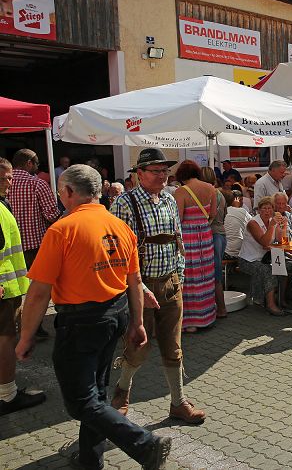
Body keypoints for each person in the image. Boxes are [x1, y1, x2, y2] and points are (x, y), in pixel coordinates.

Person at [16, 164, 172, 469]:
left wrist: (25, 337)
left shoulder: (62, 230)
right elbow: (135, 282)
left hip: (82, 321)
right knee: (96, 393)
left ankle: (145, 444)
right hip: (115, 315)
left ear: (70, 192)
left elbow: (37, 294)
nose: (60, 196)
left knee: (81, 401)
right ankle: (90, 459)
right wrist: (137, 322)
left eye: (61, 191)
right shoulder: (120, 227)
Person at [109, 148, 205, 425]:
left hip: (171, 285)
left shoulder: (170, 199)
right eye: (155, 171)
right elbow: (117, 253)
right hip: (140, 288)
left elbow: (178, 242)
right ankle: (122, 390)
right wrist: (135, 289)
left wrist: (180, 277)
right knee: (138, 345)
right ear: (139, 174)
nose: (162, 175)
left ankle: (178, 403)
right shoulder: (125, 204)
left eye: (165, 170)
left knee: (173, 348)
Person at [0, 158, 46, 417]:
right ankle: (7, 395)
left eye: (9, 178)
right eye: (4, 178)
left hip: (9, 285)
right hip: (5, 287)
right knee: (6, 339)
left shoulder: (3, 203)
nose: (9, 183)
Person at [8, 149, 60, 339]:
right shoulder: (37, 183)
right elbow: (52, 215)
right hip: (35, 245)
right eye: (36, 164)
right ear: (29, 163)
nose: (37, 168)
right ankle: (34, 327)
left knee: (13, 289)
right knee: (39, 290)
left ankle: (13, 326)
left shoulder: (6, 182)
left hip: (8, 247)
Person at [174, 161, 218, 333]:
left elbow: (178, 217)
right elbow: (212, 214)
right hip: (205, 236)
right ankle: (207, 317)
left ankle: (191, 322)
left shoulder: (181, 191)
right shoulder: (210, 188)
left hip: (188, 237)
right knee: (205, 275)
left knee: (190, 277)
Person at [238, 195, 287, 316]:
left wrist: (283, 226)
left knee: (285, 268)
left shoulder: (272, 221)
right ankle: (271, 305)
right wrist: (271, 227)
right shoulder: (253, 223)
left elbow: (282, 242)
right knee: (268, 271)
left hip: (264, 258)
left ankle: (281, 300)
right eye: (264, 208)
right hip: (248, 260)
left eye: (270, 208)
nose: (267, 211)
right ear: (258, 210)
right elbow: (264, 243)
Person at [201, 167, 227, 318]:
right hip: (220, 233)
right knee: (215, 272)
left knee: (215, 273)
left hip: (214, 233)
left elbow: (209, 216)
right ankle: (218, 307)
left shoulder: (210, 193)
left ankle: (221, 309)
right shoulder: (219, 193)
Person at [224, 190, 252, 258]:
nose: (242, 202)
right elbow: (254, 224)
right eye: (240, 200)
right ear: (236, 200)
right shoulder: (242, 211)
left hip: (224, 252)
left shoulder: (223, 211)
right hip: (239, 253)